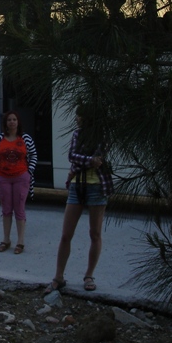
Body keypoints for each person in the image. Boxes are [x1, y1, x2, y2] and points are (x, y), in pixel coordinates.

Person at [45, 104, 113, 294]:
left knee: (95, 233)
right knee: (66, 234)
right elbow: (72, 156)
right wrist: (88, 161)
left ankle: (89, 275)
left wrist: (83, 162)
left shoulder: (103, 135)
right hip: (77, 185)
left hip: (97, 186)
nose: (77, 118)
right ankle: (58, 277)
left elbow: (98, 158)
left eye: (80, 115)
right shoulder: (77, 134)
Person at [0, 110, 37, 254]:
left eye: (14, 119)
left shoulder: (25, 138)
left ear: (18, 122)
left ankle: (20, 241)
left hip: (21, 177)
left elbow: (33, 155)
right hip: (3, 178)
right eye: (9, 120)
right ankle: (6, 240)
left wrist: (29, 172)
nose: (12, 122)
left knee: (19, 208)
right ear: (5, 123)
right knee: (6, 209)